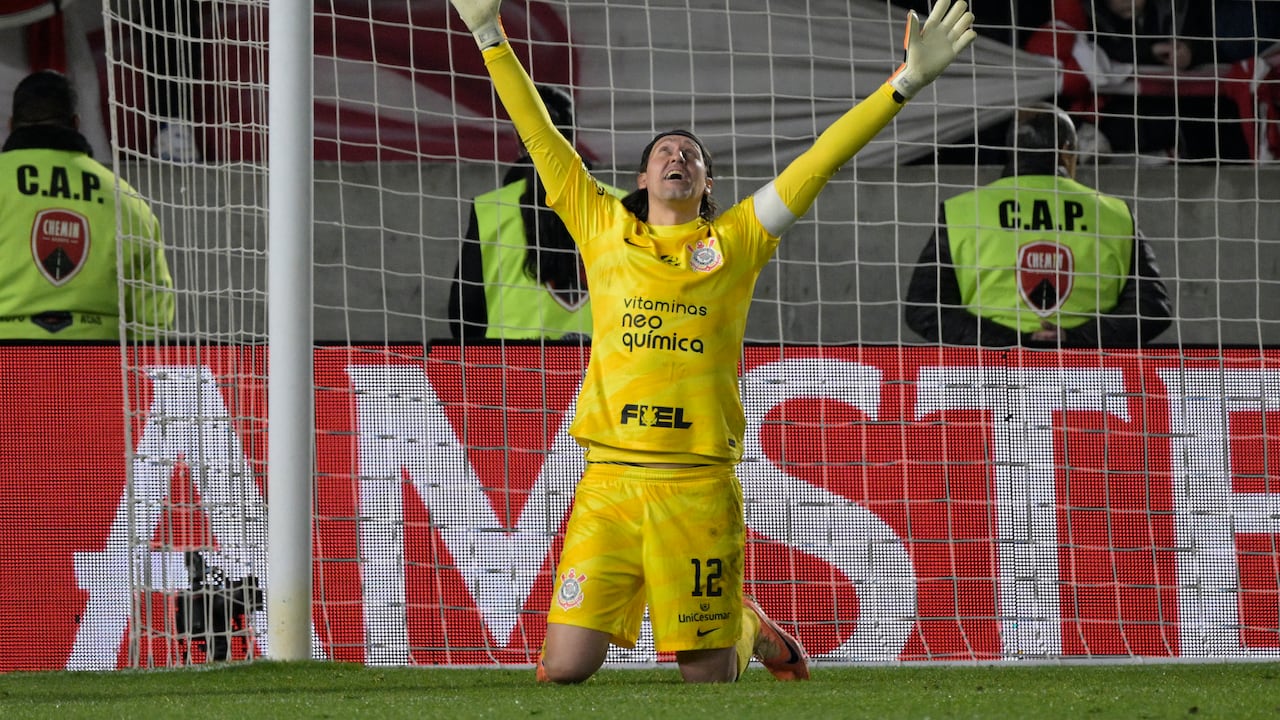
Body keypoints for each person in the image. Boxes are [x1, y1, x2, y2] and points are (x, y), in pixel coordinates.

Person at [447, 0, 976, 683]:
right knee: (563, 670)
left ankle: (745, 622)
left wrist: (903, 83)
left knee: (708, 682)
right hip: (610, 481)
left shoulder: (737, 242)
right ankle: (695, 604)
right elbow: (541, 134)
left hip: (697, 485)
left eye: (691, 153)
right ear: (640, 179)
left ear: (708, 183)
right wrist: (489, 34)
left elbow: (822, 157)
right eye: (664, 151)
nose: (678, 155)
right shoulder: (601, 226)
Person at [903, 102, 1172, 347]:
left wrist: (1014, 342)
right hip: (1089, 379)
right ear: (1067, 150)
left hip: (990, 378)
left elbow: (924, 308)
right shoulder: (1115, 214)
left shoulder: (961, 212)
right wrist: (1075, 339)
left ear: (1011, 151)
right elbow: (1152, 308)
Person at [0, 69, 174, 339]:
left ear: (11, 124)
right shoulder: (127, 199)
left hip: (8, 364)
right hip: (96, 368)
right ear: (76, 123)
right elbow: (155, 319)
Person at [449, 85, 602, 340]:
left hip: (514, 369)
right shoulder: (619, 203)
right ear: (574, 136)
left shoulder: (491, 210)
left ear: (519, 138)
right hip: (607, 367)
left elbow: (464, 313)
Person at [1024, 0, 1248, 161]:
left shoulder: (1175, 10)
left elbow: (1219, 52)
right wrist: (1147, 52)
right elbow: (1090, 59)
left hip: (1179, 134)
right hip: (1112, 131)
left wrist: (1191, 52)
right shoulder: (1080, 16)